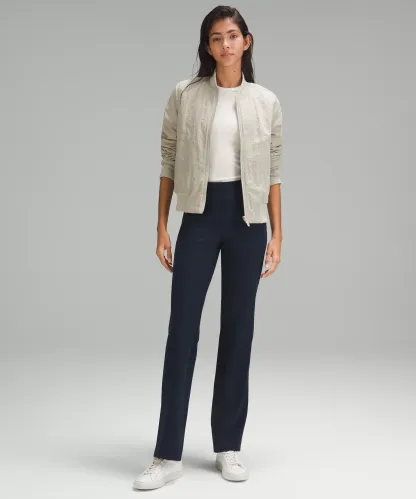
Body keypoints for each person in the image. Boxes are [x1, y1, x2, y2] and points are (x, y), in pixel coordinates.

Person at [133, 5, 283, 490]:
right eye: (216, 38)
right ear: (207, 46)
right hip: (198, 216)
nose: (225, 45)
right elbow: (168, 159)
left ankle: (228, 447)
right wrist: (162, 226)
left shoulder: (265, 100)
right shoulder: (186, 94)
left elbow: (274, 170)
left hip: (247, 220)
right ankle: (166, 455)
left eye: (232, 36)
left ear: (247, 41)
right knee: (182, 333)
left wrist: (278, 234)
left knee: (238, 332)